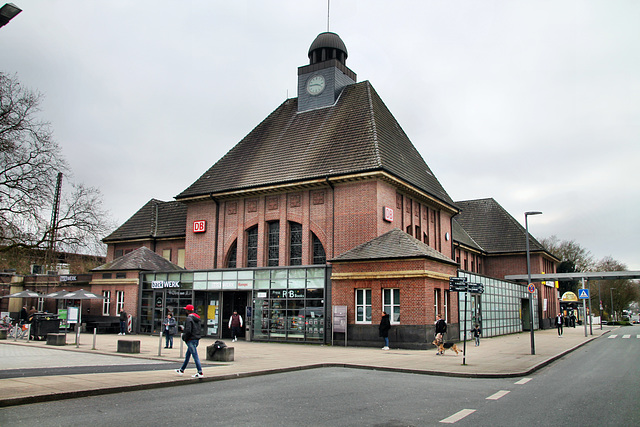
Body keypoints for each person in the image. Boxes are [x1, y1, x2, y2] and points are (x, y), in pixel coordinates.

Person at [175, 304, 204, 378]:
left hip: (191, 339)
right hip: (196, 338)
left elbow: (188, 330)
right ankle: (181, 370)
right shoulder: (197, 319)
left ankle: (200, 372)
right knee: (188, 355)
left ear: (188, 311)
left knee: (195, 356)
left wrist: (184, 338)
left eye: (186, 310)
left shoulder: (189, 319)